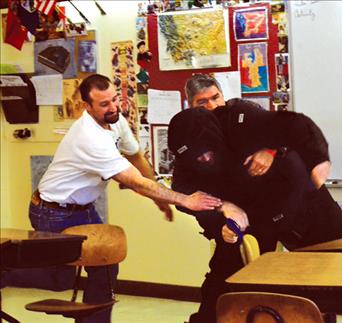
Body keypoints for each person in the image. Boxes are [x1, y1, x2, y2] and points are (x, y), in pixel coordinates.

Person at [25, 74, 221, 323]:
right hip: (52, 210)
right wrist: (184, 200)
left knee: (105, 265)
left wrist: (160, 197)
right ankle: (4, 271)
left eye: (114, 99)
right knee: (60, 278)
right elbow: (134, 181)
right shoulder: (89, 137)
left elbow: (136, 156)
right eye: (104, 104)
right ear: (88, 106)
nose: (113, 107)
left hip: (82, 208)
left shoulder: (115, 120)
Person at [168, 89, 342, 322]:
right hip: (254, 217)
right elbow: (185, 197)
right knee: (221, 286)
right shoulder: (186, 142)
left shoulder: (241, 117)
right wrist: (220, 211)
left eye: (207, 153)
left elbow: (298, 125)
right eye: (198, 158)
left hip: (302, 200)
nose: (204, 160)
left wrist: (314, 159)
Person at [184, 74, 331, 189]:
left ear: (222, 95)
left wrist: (270, 150)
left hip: (280, 187)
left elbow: (289, 131)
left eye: (216, 98)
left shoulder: (243, 110)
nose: (212, 106)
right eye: (202, 102)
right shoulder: (190, 133)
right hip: (239, 200)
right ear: (191, 106)